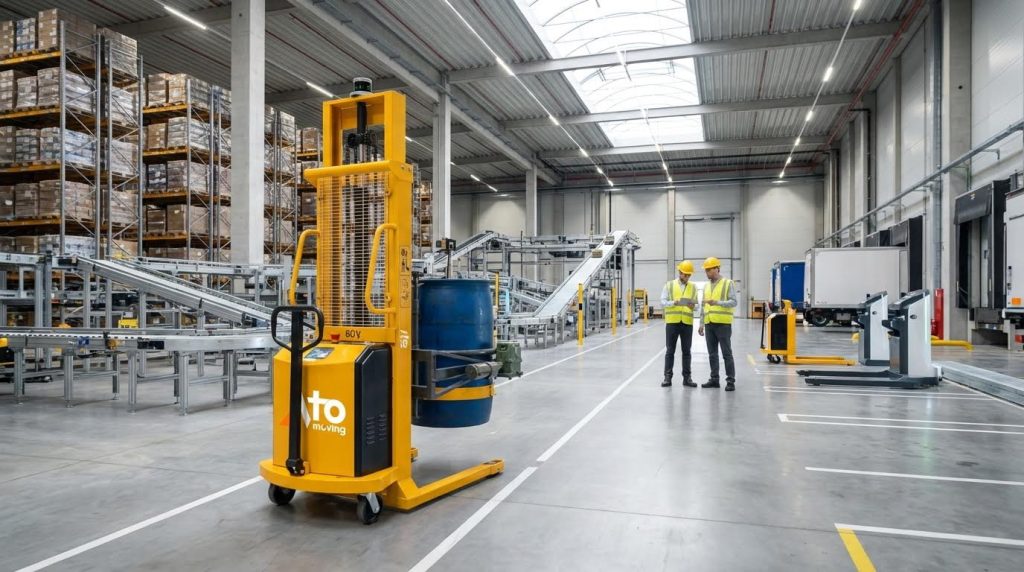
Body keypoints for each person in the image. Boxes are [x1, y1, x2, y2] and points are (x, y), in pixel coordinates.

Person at [698, 257, 738, 391]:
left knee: (727, 353)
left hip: (723, 325)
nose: (707, 273)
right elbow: (704, 306)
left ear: (717, 269)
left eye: (709, 270)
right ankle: (714, 379)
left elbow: (733, 302)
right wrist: (701, 323)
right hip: (709, 324)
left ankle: (730, 381)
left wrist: (717, 302)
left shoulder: (728, 283)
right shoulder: (706, 286)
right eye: (706, 270)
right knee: (712, 354)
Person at [660, 261, 698, 387]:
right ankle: (667, 378)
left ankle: (687, 378)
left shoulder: (693, 287)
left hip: (687, 323)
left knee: (687, 351)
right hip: (672, 323)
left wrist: (693, 306)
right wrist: (673, 303)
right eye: (685, 274)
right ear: (680, 273)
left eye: (689, 275)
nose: (687, 277)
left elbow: (697, 306)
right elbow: (663, 302)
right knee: (670, 351)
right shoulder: (669, 285)